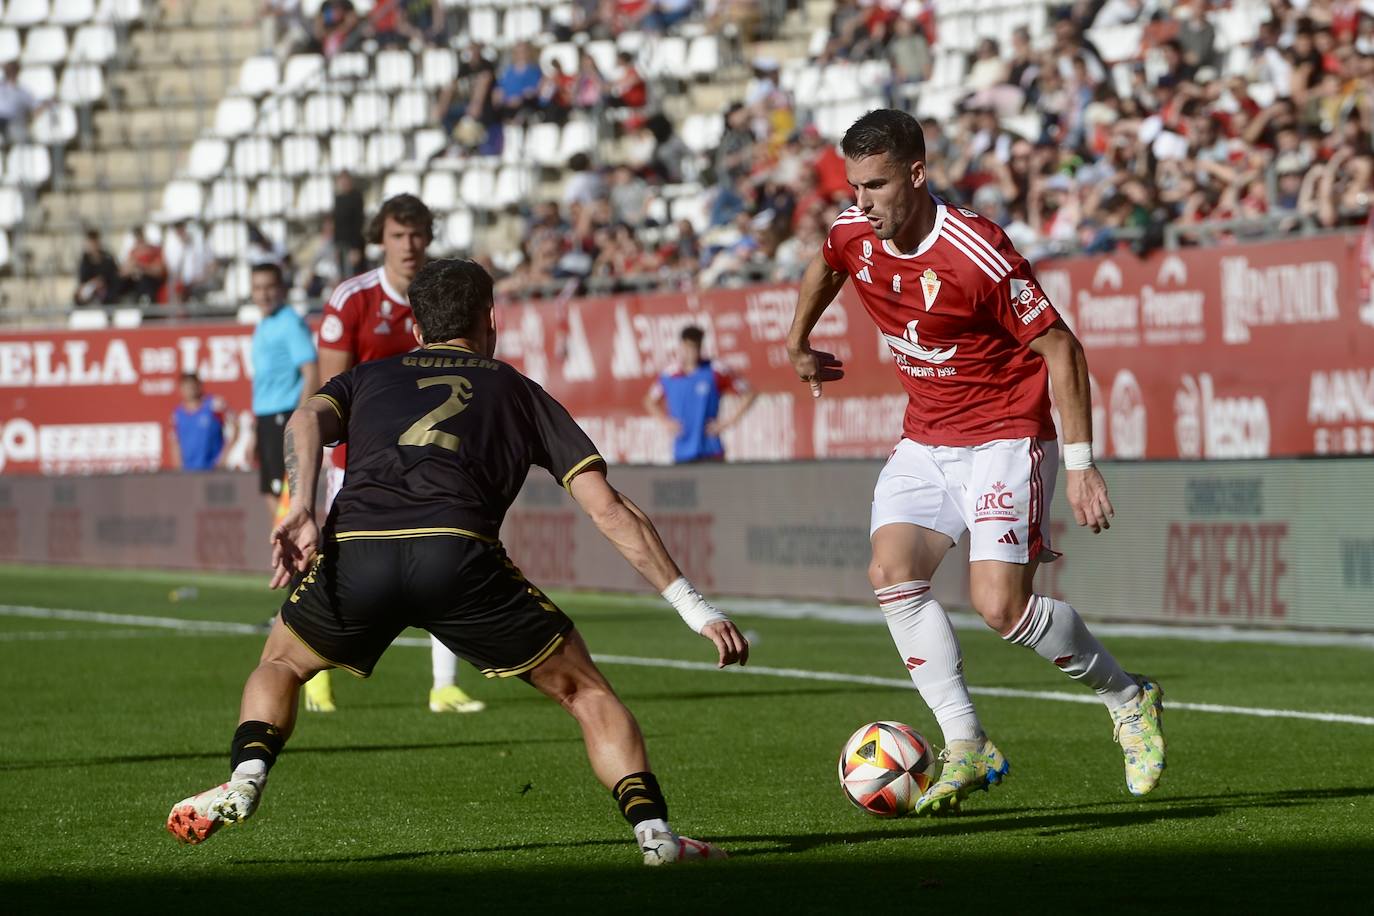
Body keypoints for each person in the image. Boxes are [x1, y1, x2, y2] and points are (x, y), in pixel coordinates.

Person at [165, 258, 748, 866]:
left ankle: (247, 778)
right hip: (458, 557)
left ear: (417, 328)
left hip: (359, 551)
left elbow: (305, 417)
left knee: (281, 661)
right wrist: (693, 607)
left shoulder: (367, 378)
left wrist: (303, 504)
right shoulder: (518, 390)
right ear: (489, 322)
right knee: (586, 693)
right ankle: (656, 837)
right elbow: (608, 509)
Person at [785, 109, 1166, 814]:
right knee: (891, 573)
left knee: (1000, 608)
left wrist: (1079, 464)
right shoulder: (853, 232)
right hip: (926, 439)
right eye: (854, 186)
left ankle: (1128, 696)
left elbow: (1062, 348)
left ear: (917, 175)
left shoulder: (977, 252)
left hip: (1004, 436)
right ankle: (967, 742)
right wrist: (797, 340)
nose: (861, 202)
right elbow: (827, 262)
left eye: (876, 185)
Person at [314, 193, 481, 717]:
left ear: (429, 236)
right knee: (337, 566)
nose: (408, 245)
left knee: (451, 559)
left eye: (417, 234)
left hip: (432, 453)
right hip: (360, 461)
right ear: (379, 238)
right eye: (397, 235)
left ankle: (444, 685)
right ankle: (315, 671)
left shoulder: (444, 291)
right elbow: (330, 389)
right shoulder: (352, 299)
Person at [249, 262, 319, 518]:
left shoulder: (289, 322)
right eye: (258, 288)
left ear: (281, 289)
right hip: (266, 416)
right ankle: (288, 554)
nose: (264, 294)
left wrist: (298, 419)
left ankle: (302, 555)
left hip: (284, 414)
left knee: (287, 494)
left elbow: (311, 370)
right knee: (271, 490)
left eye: (269, 287)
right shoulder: (264, 324)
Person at [644, 326, 757, 464]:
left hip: (711, 449)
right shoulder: (669, 375)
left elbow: (749, 393)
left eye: (694, 348)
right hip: (682, 451)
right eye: (686, 348)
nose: (690, 353)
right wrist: (665, 422)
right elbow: (650, 401)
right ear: (680, 347)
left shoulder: (715, 370)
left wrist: (727, 422)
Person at [170, 373, 227, 472]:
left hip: (212, 469)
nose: (189, 390)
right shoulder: (177, 415)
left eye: (192, 386)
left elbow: (234, 428)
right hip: (188, 471)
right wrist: (179, 469)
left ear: (199, 386)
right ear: (180, 389)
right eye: (186, 387)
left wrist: (222, 459)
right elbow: (175, 442)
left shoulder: (214, 406)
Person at [74, 230, 120, 306]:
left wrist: (102, 284)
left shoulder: (107, 258)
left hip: (107, 290)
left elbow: (115, 275)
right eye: (90, 243)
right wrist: (93, 283)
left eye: (93, 243)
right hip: (92, 289)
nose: (92, 246)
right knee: (80, 295)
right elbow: (82, 282)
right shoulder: (84, 260)